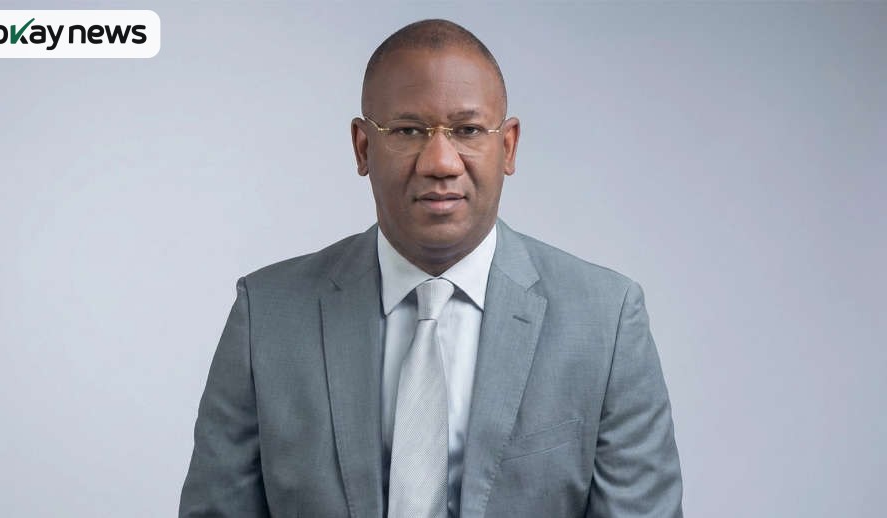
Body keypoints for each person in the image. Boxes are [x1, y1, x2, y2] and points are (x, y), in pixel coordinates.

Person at [179, 19, 683, 518]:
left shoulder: (605, 321)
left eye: (467, 130)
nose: (440, 162)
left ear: (508, 146)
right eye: (408, 131)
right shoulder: (267, 316)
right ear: (362, 147)